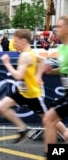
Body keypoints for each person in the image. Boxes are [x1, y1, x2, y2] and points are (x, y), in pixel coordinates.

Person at [0, 29, 68, 144]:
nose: (13, 44)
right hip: (23, 92)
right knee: (1, 107)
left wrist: (7, 64)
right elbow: (42, 60)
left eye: (16, 41)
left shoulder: (25, 55)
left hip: (33, 95)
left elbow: (18, 76)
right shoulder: (29, 53)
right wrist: (38, 76)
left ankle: (65, 134)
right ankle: (23, 128)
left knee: (48, 119)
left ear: (23, 41)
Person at [42, 15, 68, 156]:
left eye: (59, 26)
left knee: (49, 119)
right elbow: (64, 70)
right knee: (49, 119)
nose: (55, 29)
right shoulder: (62, 48)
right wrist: (51, 71)